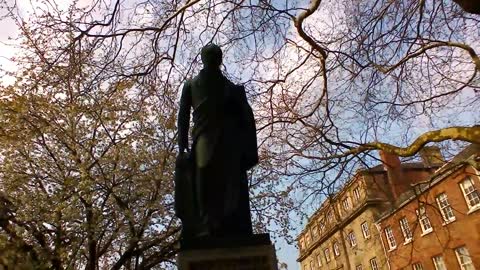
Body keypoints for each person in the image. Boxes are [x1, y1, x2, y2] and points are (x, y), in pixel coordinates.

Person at [176, 44, 258, 240]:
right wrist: (182, 145)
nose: (213, 58)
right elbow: (183, 116)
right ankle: (205, 223)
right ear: (203, 59)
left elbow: (245, 117)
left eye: (216, 55)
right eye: (209, 55)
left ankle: (229, 223)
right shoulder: (191, 85)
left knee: (231, 181)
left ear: (220, 60)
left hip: (229, 139)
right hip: (204, 136)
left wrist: (246, 147)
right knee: (203, 173)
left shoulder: (233, 89)